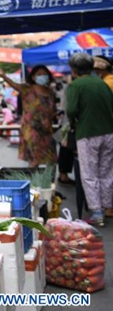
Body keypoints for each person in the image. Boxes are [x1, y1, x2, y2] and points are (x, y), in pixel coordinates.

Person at [66, 53, 113, 227]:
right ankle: (107, 207)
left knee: (89, 173)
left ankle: (96, 212)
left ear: (73, 69)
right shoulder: (102, 83)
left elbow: (71, 110)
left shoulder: (75, 85)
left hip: (87, 133)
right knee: (107, 172)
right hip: (109, 133)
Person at [0, 65, 57, 167]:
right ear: (33, 77)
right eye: (39, 74)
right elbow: (13, 85)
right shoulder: (27, 89)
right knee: (34, 158)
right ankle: (33, 182)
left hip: (47, 130)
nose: (42, 76)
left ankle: (49, 182)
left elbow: (52, 110)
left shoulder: (50, 93)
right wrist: (3, 76)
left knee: (51, 159)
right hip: (31, 129)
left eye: (44, 74)